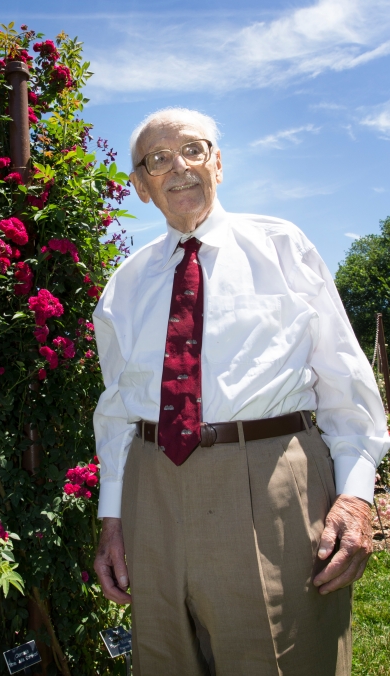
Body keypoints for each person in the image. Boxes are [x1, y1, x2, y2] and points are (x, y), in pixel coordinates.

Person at [92, 107, 389, 676]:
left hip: (271, 481)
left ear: (219, 163)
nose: (178, 167)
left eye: (194, 150)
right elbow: (115, 412)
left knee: (283, 659)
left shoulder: (283, 247)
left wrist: (354, 496)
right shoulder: (126, 283)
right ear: (141, 186)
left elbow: (345, 380)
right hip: (151, 494)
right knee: (164, 660)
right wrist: (113, 520)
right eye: (158, 159)